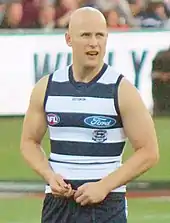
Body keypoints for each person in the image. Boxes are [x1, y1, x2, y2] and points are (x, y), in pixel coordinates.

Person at [20, 7, 159, 223]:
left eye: (100, 35)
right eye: (86, 35)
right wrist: (49, 176)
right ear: (68, 39)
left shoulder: (121, 90)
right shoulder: (46, 88)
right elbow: (29, 142)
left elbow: (149, 152)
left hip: (105, 205)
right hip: (58, 204)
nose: (94, 43)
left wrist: (104, 186)